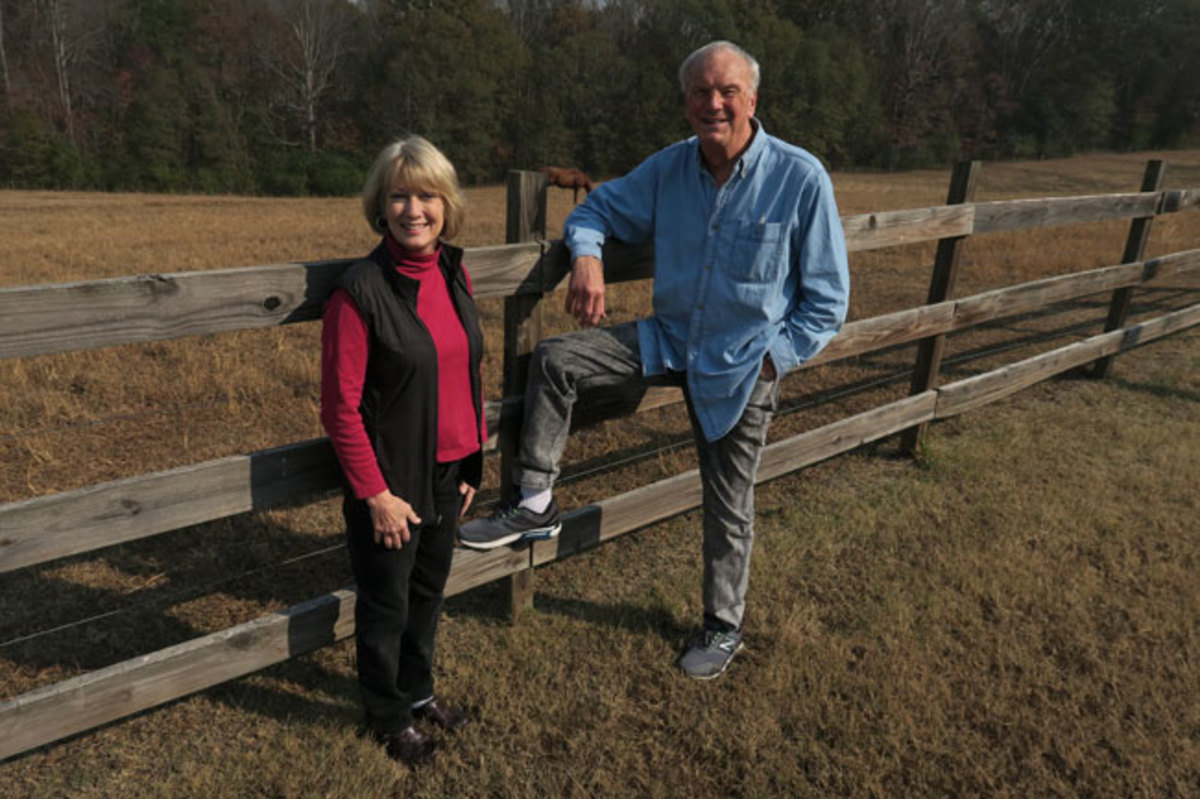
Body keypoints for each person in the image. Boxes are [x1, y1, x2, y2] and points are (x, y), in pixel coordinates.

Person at [459, 41, 850, 680]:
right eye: (700, 91)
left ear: (753, 100)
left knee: (728, 503)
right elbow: (593, 210)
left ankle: (723, 627)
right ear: (686, 103)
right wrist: (585, 256)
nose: (713, 103)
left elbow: (827, 300)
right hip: (670, 340)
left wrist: (773, 362)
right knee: (557, 360)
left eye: (726, 91)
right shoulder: (669, 169)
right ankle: (534, 504)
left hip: (742, 363)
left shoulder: (800, 178)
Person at [320, 135, 485, 764]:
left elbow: (464, 370)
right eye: (399, 196)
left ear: (446, 204)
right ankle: (386, 715)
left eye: (427, 195)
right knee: (386, 603)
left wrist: (472, 459)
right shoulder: (359, 292)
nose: (414, 210)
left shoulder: (452, 270)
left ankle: (418, 695)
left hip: (449, 473)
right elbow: (340, 409)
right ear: (380, 206)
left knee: (428, 594)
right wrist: (376, 495)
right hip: (391, 482)